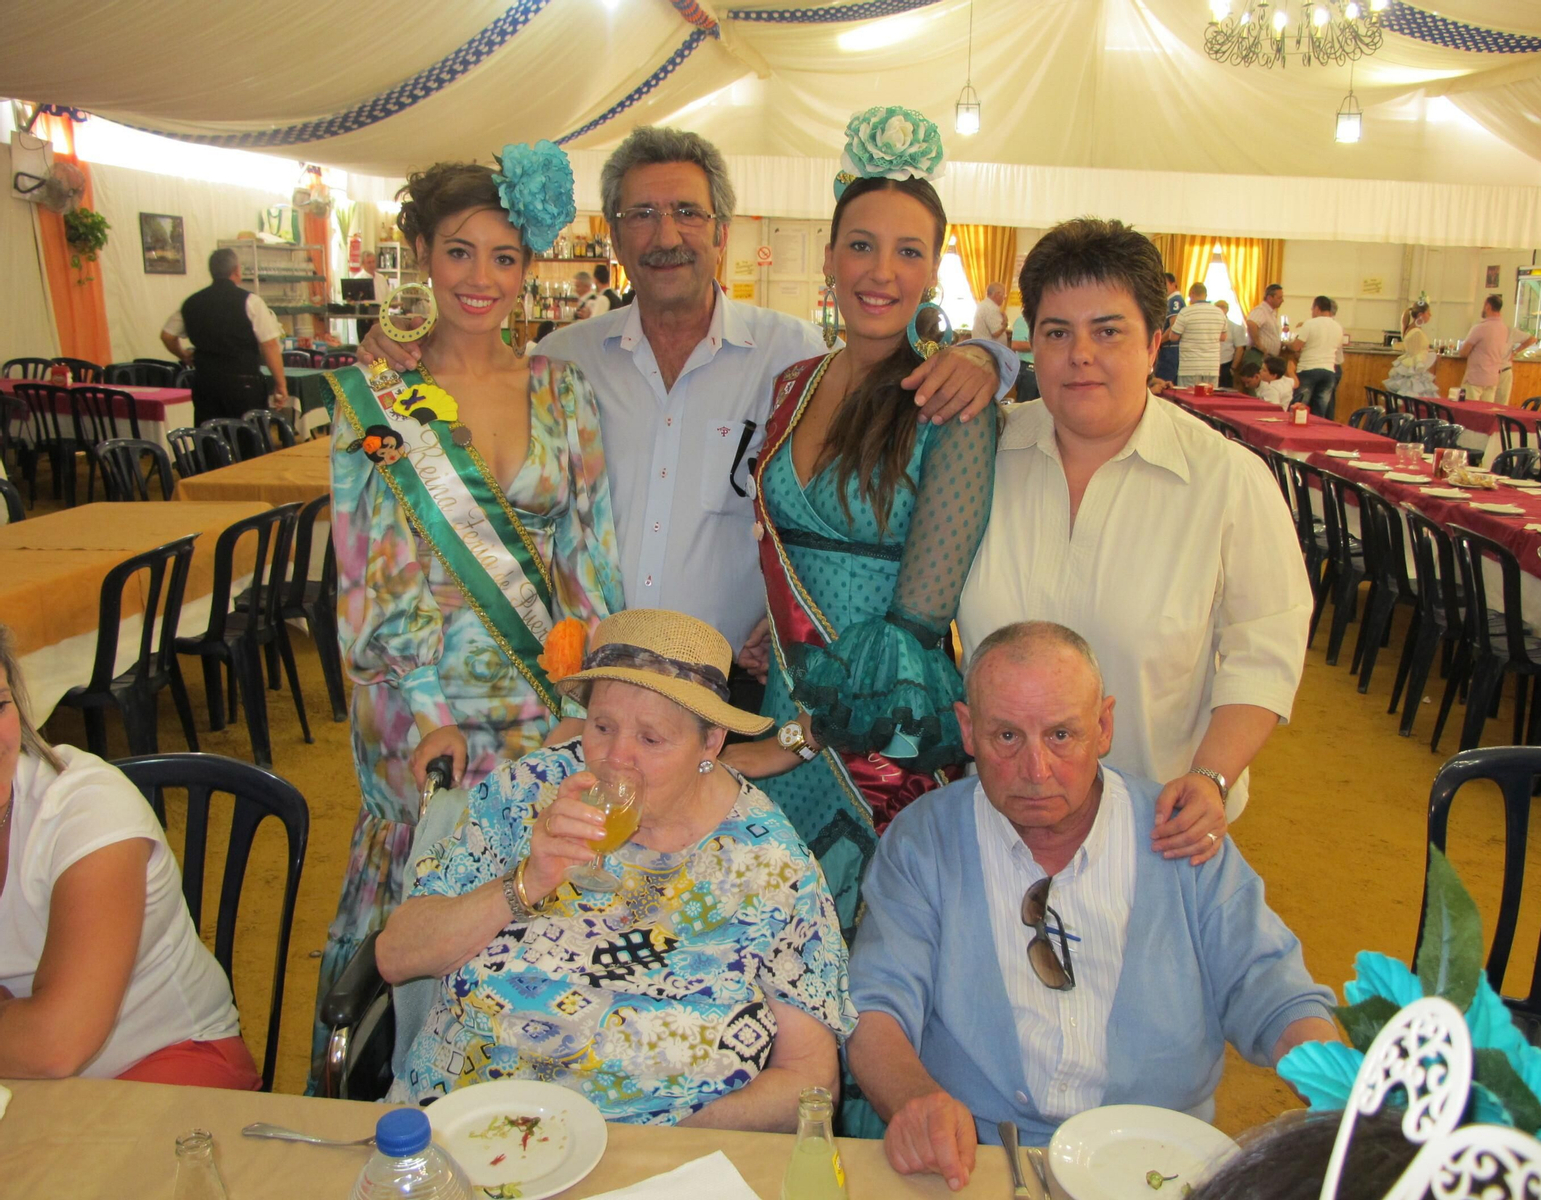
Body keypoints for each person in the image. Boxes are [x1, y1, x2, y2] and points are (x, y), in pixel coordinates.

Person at [361, 125, 1014, 712]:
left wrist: (988, 357)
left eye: (687, 213)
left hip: (741, 691)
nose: (666, 236)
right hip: (596, 693)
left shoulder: (793, 358)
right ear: (615, 236)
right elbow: (477, 428)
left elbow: (881, 402)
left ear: (721, 234)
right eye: (641, 215)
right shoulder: (561, 362)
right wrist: (401, 349)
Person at [312, 147, 626, 1081]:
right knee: (430, 893)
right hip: (422, 705)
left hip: (542, 701)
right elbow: (373, 572)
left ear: (528, 266)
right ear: (419, 253)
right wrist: (424, 712)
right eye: (458, 252)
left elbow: (589, 559)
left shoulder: (562, 388)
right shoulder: (375, 399)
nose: (481, 278)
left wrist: (587, 697)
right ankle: (388, 1080)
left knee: (542, 889)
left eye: (504, 256)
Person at [845, 622, 1337, 1177]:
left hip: (1156, 1164)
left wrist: (1344, 1092)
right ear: (968, 729)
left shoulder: (1180, 837)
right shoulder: (924, 841)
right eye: (1006, 737)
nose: (1036, 770)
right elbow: (874, 1006)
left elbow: (1272, 990)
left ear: (1103, 726)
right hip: (981, 1160)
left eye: (1061, 735)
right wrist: (915, 1101)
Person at [379, 609, 855, 1127]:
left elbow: (812, 1081)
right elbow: (396, 956)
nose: (615, 758)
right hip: (463, 1124)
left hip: (657, 1152)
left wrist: (662, 1144)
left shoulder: (771, 864)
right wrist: (526, 882)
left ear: (711, 742)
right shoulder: (526, 792)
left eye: (651, 739)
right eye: (602, 727)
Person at [718, 108, 998, 939]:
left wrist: (788, 745)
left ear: (934, 268)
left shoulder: (951, 406)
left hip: (873, 744)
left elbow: (915, 630)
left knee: (868, 959)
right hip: (783, 700)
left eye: (909, 251)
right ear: (829, 255)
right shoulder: (794, 383)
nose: (881, 272)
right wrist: (771, 624)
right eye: (862, 245)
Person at [958, 217, 1312, 864]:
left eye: (1108, 331)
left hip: (1158, 833)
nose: (1080, 354)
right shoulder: (982, 457)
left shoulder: (1226, 480)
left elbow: (1265, 650)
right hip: (993, 828)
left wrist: (1211, 777)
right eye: (1057, 332)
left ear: (1154, 344)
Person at [0, 627, 259, 1089]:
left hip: (170, 1058)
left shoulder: (86, 808)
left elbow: (55, 1041)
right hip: (25, 1078)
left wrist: (31, 1028)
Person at [159, 247, 290, 422]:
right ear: (236, 270)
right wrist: (280, 384)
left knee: (210, 433)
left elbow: (167, 336)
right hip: (243, 384)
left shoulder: (191, 302)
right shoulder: (250, 302)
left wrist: (183, 355)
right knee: (248, 435)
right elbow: (270, 345)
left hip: (206, 382)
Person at [1166, 281, 1228, 388]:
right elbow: (1223, 337)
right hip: (1211, 367)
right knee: (1210, 397)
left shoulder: (1185, 312)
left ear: (1192, 294)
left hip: (1189, 367)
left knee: (1187, 397)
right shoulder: (1219, 313)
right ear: (1205, 295)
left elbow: (1173, 337)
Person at [1289, 296, 1342, 419]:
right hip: (1329, 372)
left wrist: (1287, 344)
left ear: (1317, 308)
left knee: (1299, 408)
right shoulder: (1338, 327)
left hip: (1308, 369)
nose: (1312, 312)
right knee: (1320, 412)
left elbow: (1296, 346)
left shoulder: (1310, 323)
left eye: (1312, 309)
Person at [1460, 293, 1515, 403]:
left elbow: (1464, 352)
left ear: (1488, 306)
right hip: (1492, 378)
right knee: (1486, 410)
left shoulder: (1480, 328)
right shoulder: (1504, 329)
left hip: (1475, 378)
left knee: (1468, 408)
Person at [1246, 282, 1286, 368]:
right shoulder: (1261, 310)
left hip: (1267, 357)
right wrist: (1259, 345)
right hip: (1258, 355)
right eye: (1279, 298)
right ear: (1269, 298)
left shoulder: (1271, 313)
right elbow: (1251, 324)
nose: (1282, 300)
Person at [1153, 270, 1184, 383]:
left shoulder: (1175, 301)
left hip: (1170, 349)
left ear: (1173, 284)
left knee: (1164, 382)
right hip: (1167, 349)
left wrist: (1158, 342)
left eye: (1164, 283)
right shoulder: (1170, 301)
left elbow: (1174, 326)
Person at [1216, 298, 1247, 388]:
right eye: (1217, 306)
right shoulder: (1207, 326)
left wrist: (1233, 368)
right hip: (1210, 363)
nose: (1220, 309)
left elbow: (1240, 349)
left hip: (1226, 364)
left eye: (1223, 307)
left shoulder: (1235, 328)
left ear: (1227, 309)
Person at [1011, 311, 1038, 402]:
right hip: (1029, 370)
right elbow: (1016, 345)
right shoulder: (1023, 320)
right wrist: (1042, 345)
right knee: (1026, 406)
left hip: (1044, 369)